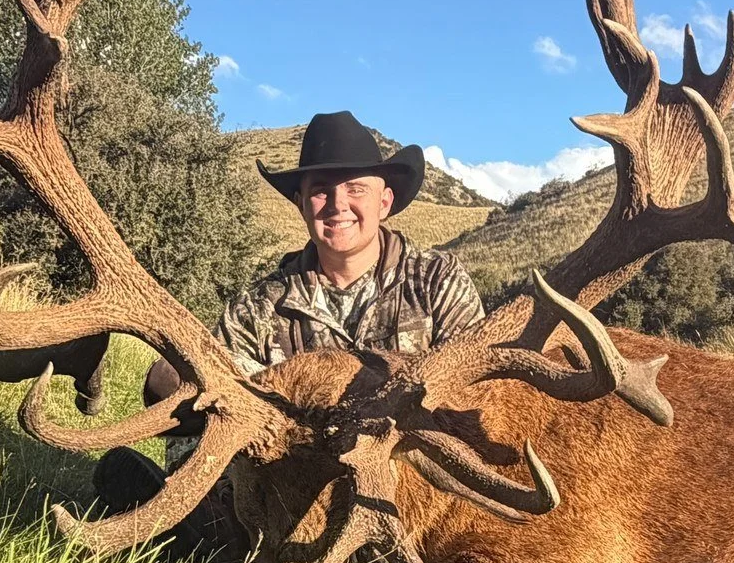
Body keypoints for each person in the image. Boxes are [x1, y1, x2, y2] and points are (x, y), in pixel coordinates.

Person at [93, 110, 486, 528]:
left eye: (355, 188)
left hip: (415, 495)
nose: (338, 205)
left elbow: (481, 398)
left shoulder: (437, 282)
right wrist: (202, 478)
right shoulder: (258, 310)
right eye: (320, 191)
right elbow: (214, 417)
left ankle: (199, 537)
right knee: (173, 380)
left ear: (384, 201)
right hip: (298, 499)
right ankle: (205, 520)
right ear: (300, 203)